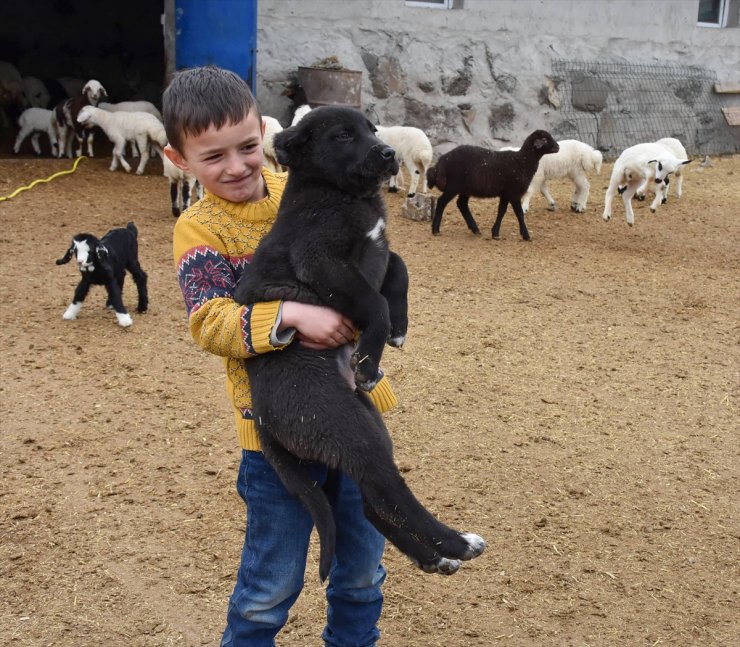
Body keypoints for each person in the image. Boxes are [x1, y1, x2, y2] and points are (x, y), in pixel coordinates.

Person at [163, 65, 399, 647]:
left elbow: (366, 254)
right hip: (275, 432)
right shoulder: (199, 230)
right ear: (178, 159)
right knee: (270, 585)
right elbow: (210, 320)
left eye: (247, 147)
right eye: (214, 157)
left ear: (265, 134)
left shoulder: (303, 186)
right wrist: (290, 317)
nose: (238, 166)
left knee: (363, 571)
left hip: (350, 403)